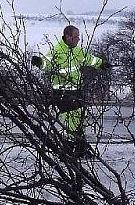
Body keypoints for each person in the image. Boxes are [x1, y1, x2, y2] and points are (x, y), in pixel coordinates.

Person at [31, 25, 107, 155]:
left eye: (78, 36)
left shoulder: (78, 51)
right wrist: (39, 62)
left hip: (76, 90)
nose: (78, 39)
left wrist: (102, 64)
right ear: (68, 36)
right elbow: (46, 63)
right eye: (76, 36)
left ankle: (78, 146)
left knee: (81, 116)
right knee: (70, 118)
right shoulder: (57, 51)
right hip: (62, 92)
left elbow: (90, 59)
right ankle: (69, 146)